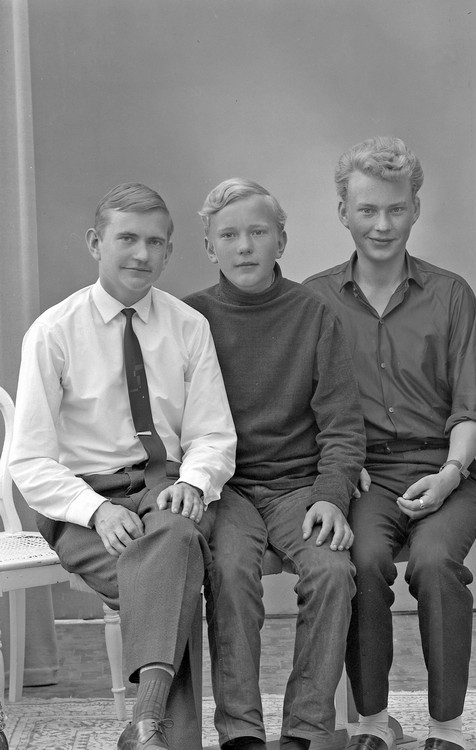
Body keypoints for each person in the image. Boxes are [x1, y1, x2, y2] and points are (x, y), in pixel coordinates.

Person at [9, 183, 237, 750]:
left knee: (174, 539)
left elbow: (212, 433)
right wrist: (97, 511)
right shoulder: (53, 332)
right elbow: (30, 460)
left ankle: (148, 725)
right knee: (176, 565)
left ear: (169, 251)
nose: (142, 254)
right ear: (96, 243)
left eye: (155, 242)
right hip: (83, 500)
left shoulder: (189, 326)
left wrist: (194, 481)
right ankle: (153, 727)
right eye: (127, 239)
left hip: (165, 488)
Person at [304, 136, 476, 750]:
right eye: (368, 210)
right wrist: (336, 463)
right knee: (363, 562)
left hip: (447, 466)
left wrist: (452, 473)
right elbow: (306, 405)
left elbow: (470, 407)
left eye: (396, 209)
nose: (382, 225)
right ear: (343, 212)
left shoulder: (452, 294)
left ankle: (447, 729)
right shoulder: (314, 299)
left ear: (415, 209)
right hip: (364, 475)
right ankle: (372, 725)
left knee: (435, 565)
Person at [184, 178, 366, 750]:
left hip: (299, 487)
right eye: (228, 236)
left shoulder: (314, 314)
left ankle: (305, 731)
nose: (244, 246)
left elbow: (342, 425)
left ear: (281, 241)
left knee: (332, 572)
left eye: (258, 232)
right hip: (227, 489)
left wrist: (331, 495)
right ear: (209, 247)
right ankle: (241, 732)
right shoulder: (189, 318)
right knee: (229, 572)